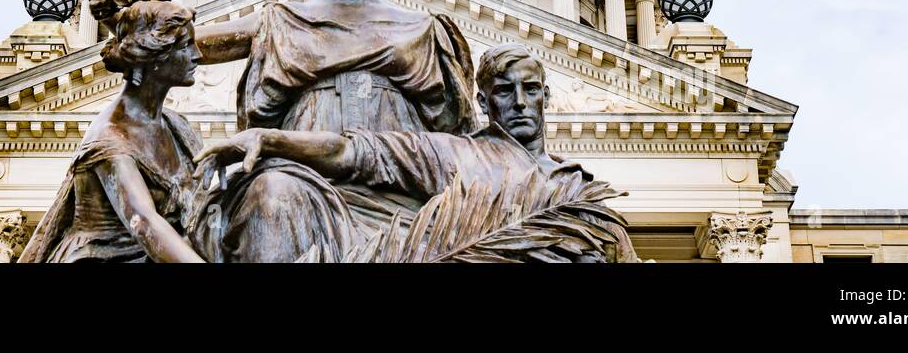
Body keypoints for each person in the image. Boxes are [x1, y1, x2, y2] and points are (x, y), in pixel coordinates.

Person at [188, 0, 476, 262]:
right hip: (297, 177)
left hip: (397, 185)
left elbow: (461, 142)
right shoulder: (284, 22)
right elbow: (184, 45)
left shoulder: (422, 30)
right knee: (271, 196)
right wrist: (140, 27)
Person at [194, 43, 639, 262]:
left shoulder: (580, 188)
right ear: (483, 104)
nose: (520, 103)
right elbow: (355, 151)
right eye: (505, 92)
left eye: (530, 91)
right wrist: (269, 138)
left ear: (547, 97)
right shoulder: (456, 154)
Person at [19, 0, 205, 263]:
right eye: (186, 47)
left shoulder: (177, 126)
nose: (200, 56)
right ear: (154, 56)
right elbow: (144, 222)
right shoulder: (110, 139)